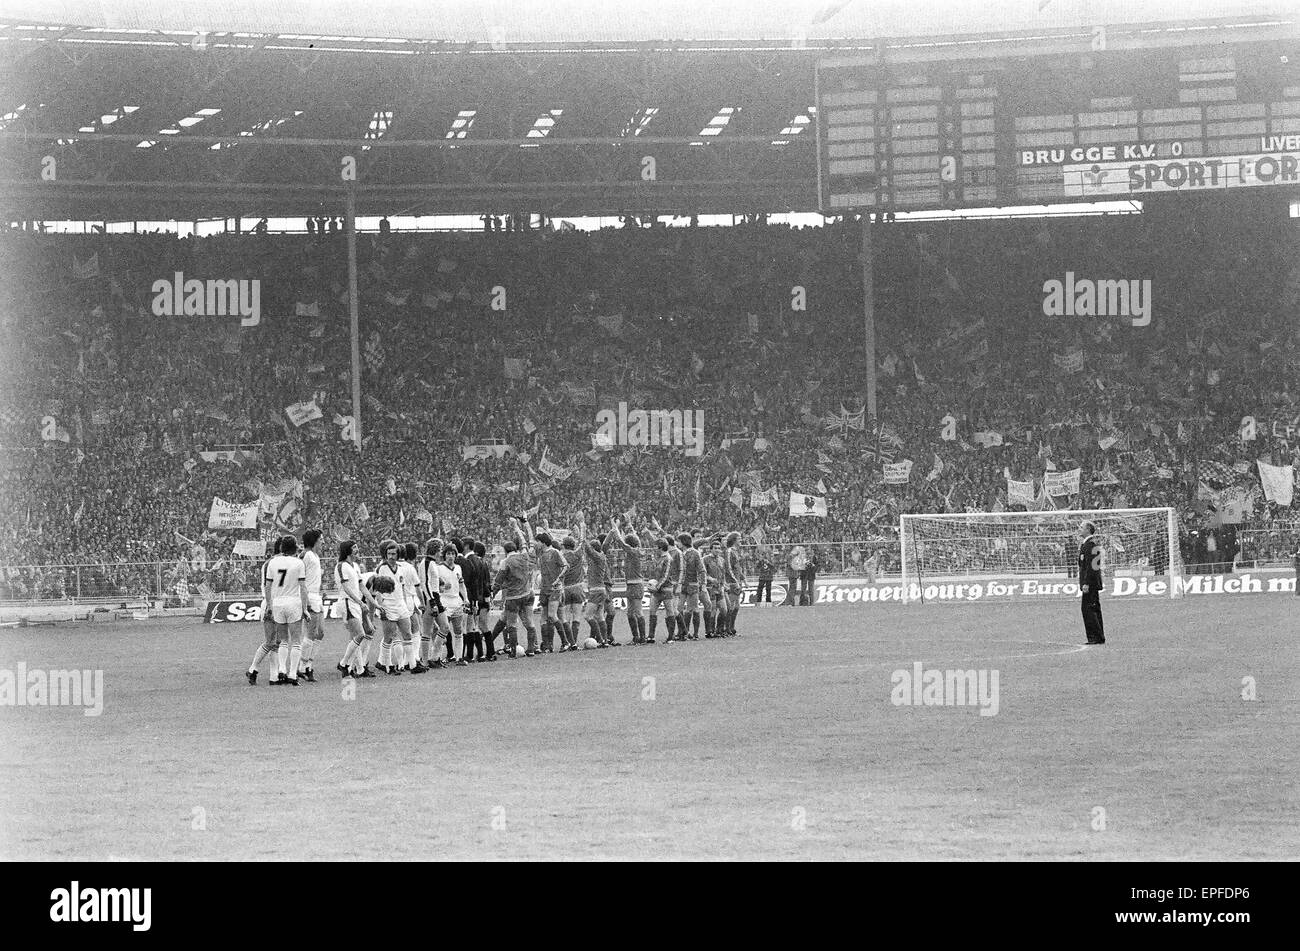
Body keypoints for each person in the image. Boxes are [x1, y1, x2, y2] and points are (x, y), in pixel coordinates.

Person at [263, 533, 308, 686]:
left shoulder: (273, 563)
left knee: (283, 641)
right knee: (296, 641)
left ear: (282, 548)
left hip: (278, 604)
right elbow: (303, 587)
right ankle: (293, 674)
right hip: (294, 603)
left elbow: (267, 586)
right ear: (295, 547)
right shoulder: (298, 563)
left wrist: (269, 605)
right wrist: (305, 608)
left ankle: (282, 669)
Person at [1078, 521, 1105, 645]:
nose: (1079, 529)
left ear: (1088, 529)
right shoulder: (1087, 545)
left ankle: (1095, 637)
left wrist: (1087, 583)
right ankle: (1097, 636)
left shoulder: (1092, 545)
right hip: (1090, 583)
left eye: (1082, 527)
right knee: (1091, 608)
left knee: (1089, 609)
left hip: (1091, 584)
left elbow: (1093, 567)